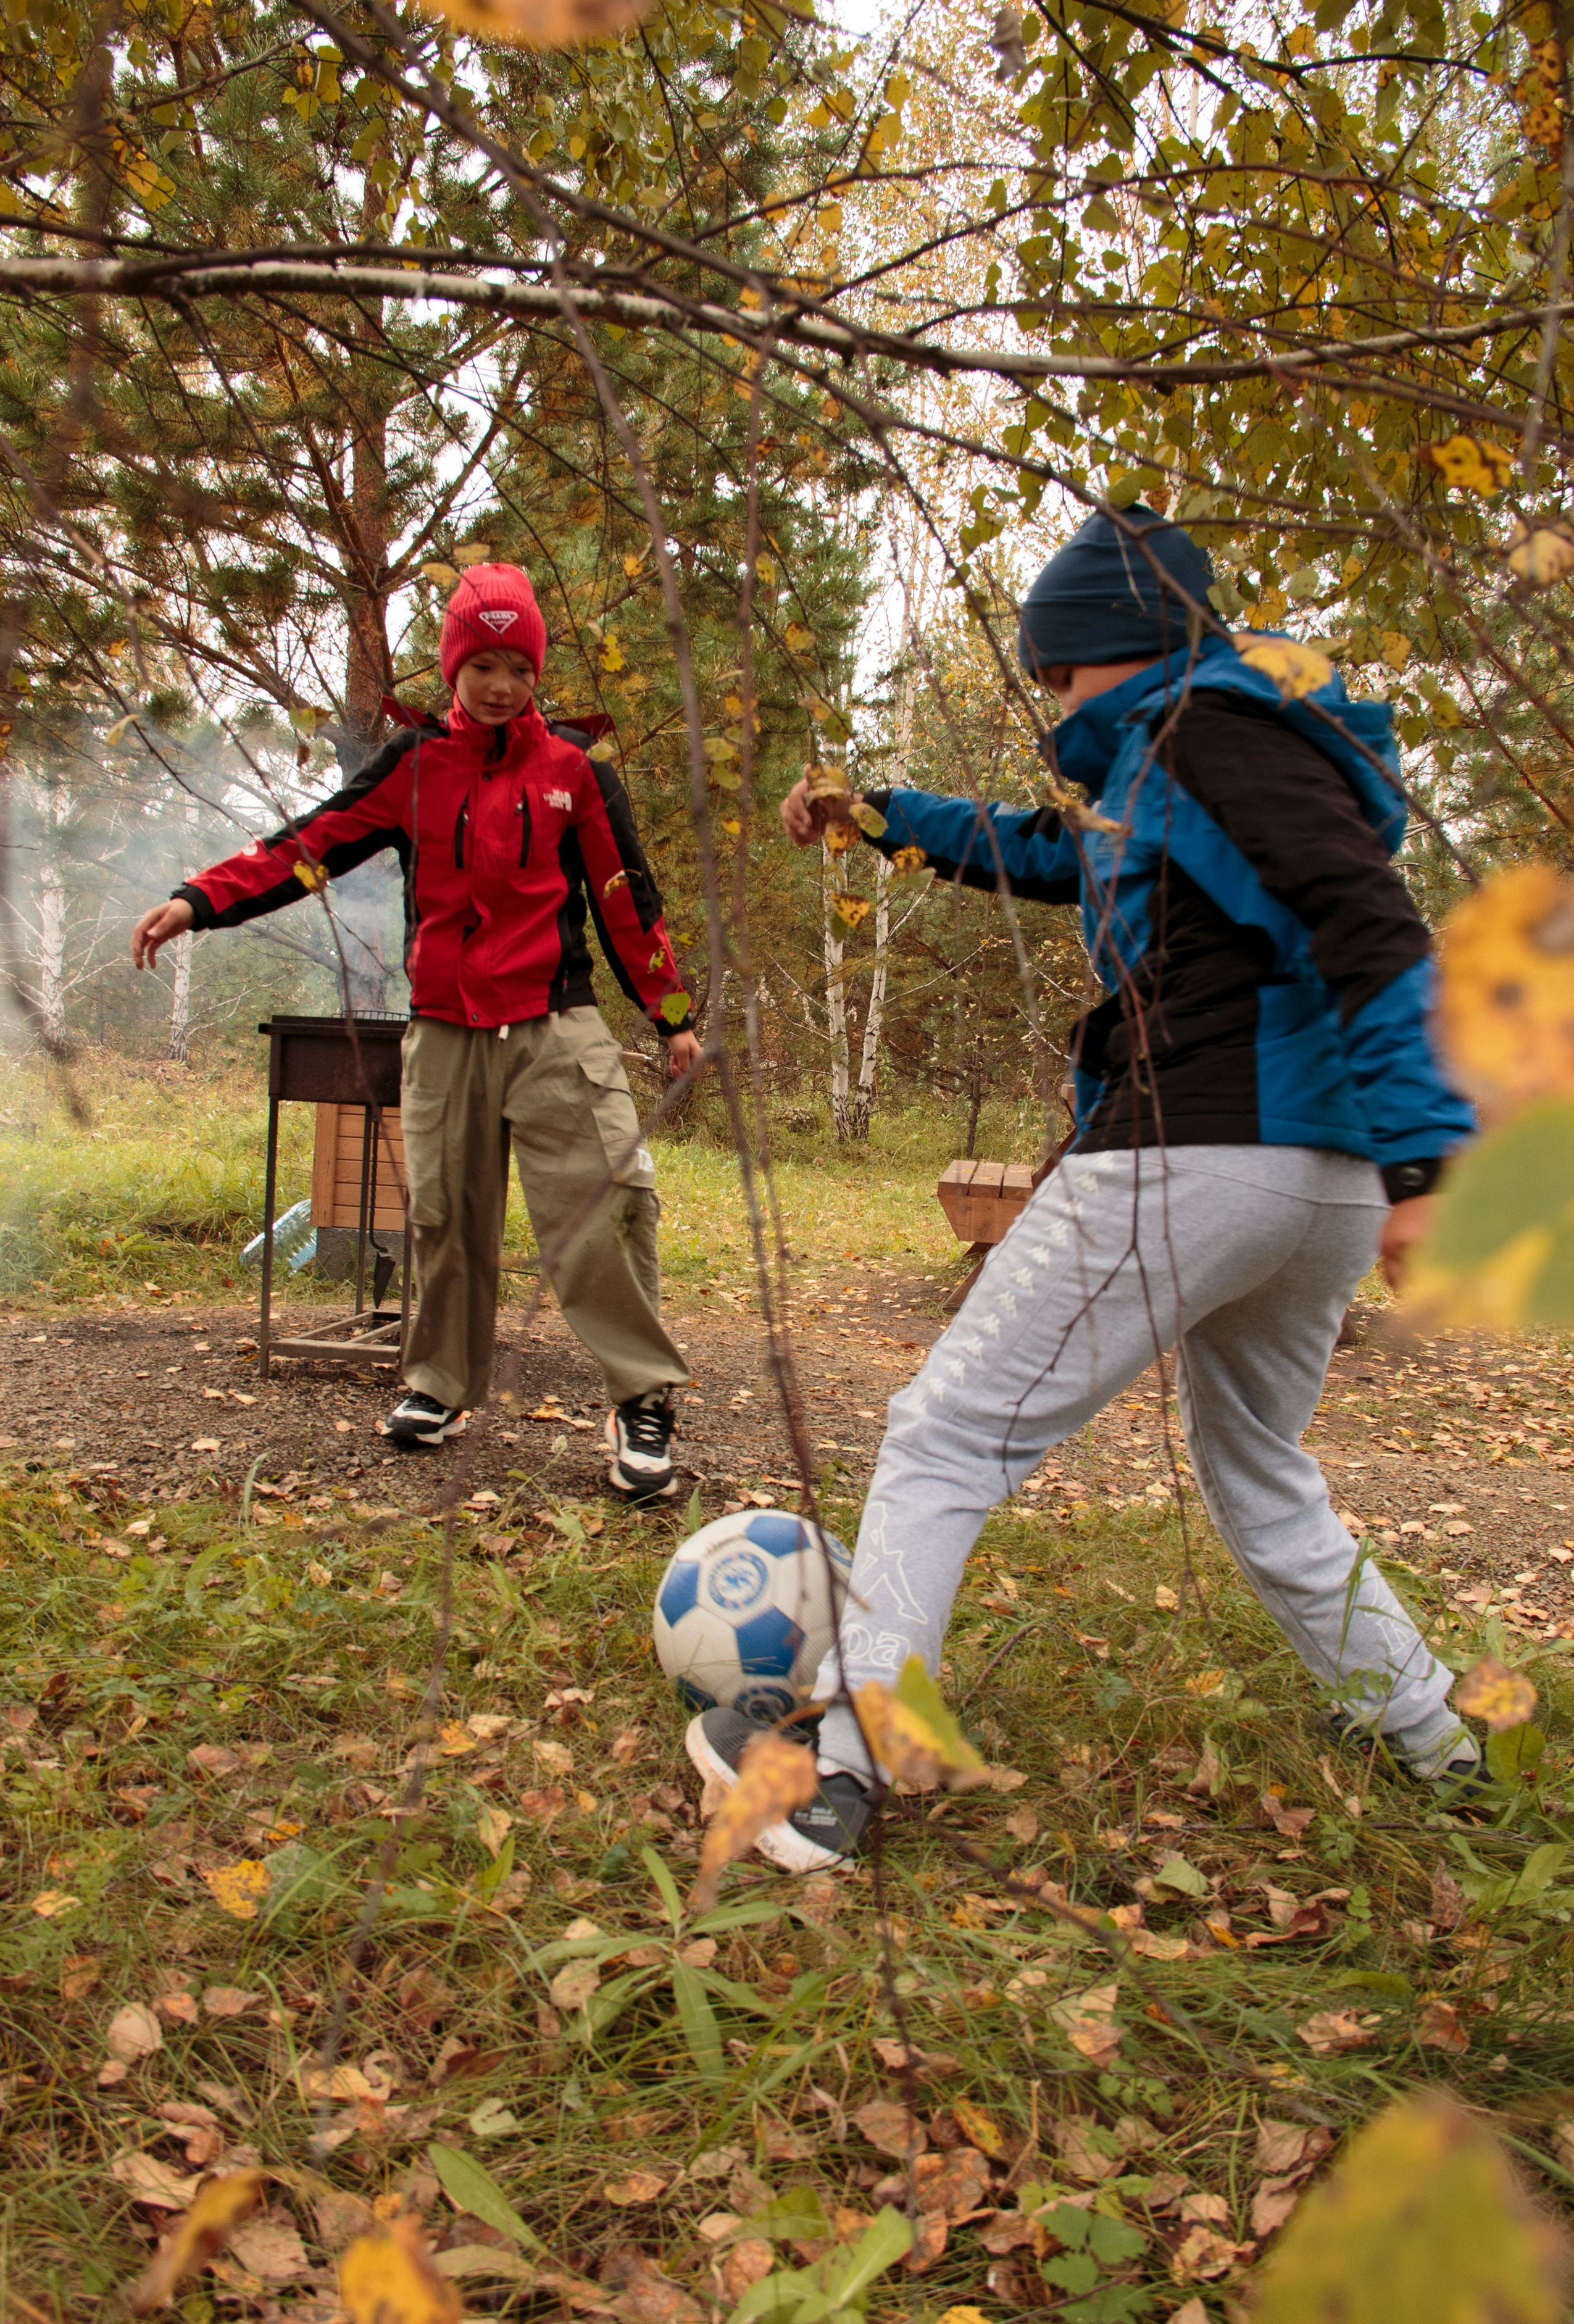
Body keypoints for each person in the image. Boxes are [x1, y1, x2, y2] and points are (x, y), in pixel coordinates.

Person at [687, 503, 1481, 1870]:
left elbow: (1367, 918)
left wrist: (1432, 1161)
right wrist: (880, 815)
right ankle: (1430, 1732)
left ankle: (843, 1767)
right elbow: (1053, 854)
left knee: (941, 1437)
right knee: (1259, 1474)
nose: (1047, 697)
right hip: (1318, 1179)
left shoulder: (1206, 730)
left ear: (1119, 648)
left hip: (1203, 1151)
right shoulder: (1180, 755)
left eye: (1056, 671)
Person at [132, 562, 699, 1497]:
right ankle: (439, 1383)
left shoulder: (573, 769)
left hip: (558, 1024)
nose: (502, 683)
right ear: (453, 667)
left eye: (520, 665)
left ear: (537, 672)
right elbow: (307, 847)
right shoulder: (413, 766)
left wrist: (671, 1014)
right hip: (443, 1029)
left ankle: (643, 1398)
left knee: (605, 1207)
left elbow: (623, 897)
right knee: (443, 1215)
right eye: (484, 663)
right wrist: (199, 899)